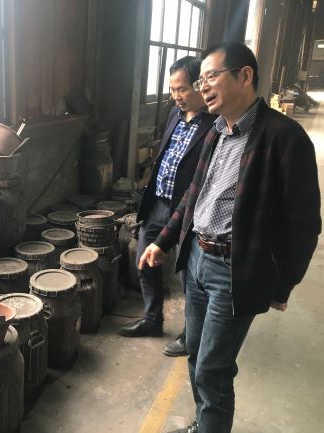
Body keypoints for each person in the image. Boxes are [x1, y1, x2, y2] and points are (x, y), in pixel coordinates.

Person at [139, 42, 321, 433]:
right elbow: (193, 197)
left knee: (213, 368)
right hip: (196, 261)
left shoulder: (284, 138)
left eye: (211, 77)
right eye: (200, 80)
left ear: (244, 76)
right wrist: (163, 241)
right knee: (195, 355)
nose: (202, 86)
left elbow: (304, 225)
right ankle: (205, 424)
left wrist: (283, 284)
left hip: (234, 271)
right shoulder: (215, 132)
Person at [118, 56, 217, 359]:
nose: (176, 96)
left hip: (188, 213)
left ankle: (190, 334)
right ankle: (152, 319)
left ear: (200, 85)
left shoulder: (215, 124)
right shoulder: (175, 113)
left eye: (182, 89)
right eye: (172, 89)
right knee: (146, 262)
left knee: (189, 277)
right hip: (158, 203)